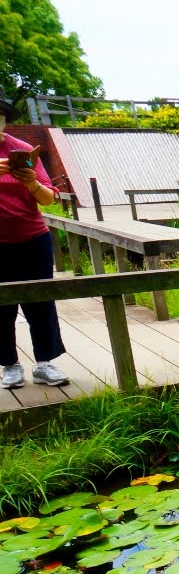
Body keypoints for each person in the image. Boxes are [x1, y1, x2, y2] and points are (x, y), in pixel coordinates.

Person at [0, 92, 69, 388]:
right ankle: (9, 365)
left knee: (40, 301)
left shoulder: (23, 150)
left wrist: (30, 181)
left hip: (33, 239)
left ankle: (45, 363)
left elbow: (48, 200)